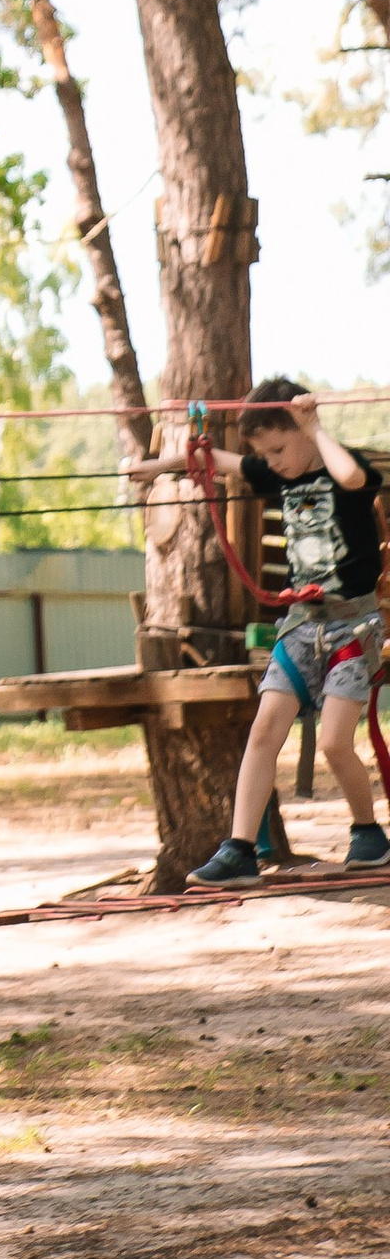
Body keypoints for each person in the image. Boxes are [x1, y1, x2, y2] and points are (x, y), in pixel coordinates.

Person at [181, 380, 389, 886]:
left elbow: (351, 476)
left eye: (278, 449)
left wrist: (314, 426)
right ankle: (240, 850)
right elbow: (222, 462)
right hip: (300, 627)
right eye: (264, 453)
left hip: (352, 628)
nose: (271, 462)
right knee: (265, 729)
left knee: (335, 742)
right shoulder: (276, 472)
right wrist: (172, 458)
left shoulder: (346, 467)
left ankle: (368, 834)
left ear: (302, 429)